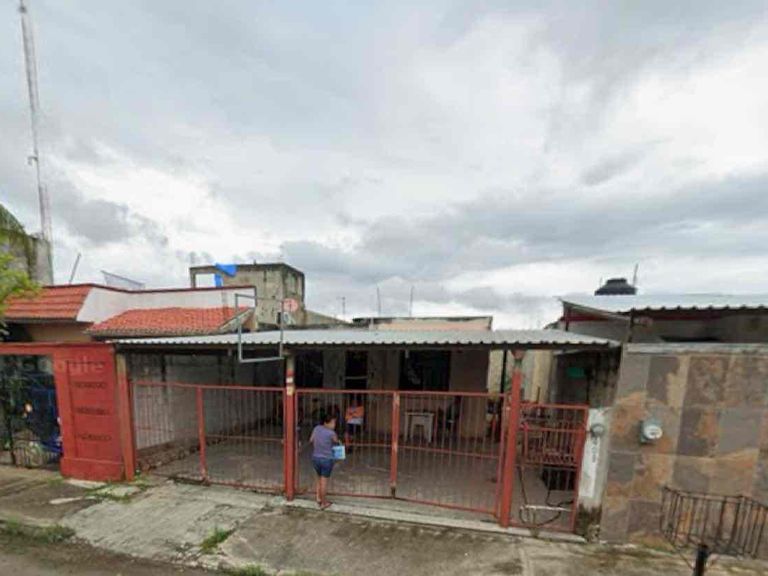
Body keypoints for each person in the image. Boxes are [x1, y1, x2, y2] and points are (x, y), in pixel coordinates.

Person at [309, 411, 339, 509]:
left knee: (318, 480)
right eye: (333, 423)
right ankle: (323, 503)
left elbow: (311, 440)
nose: (334, 425)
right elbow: (336, 442)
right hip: (326, 460)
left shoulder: (317, 428)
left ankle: (318, 498)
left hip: (315, 458)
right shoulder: (332, 433)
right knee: (324, 482)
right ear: (326, 423)